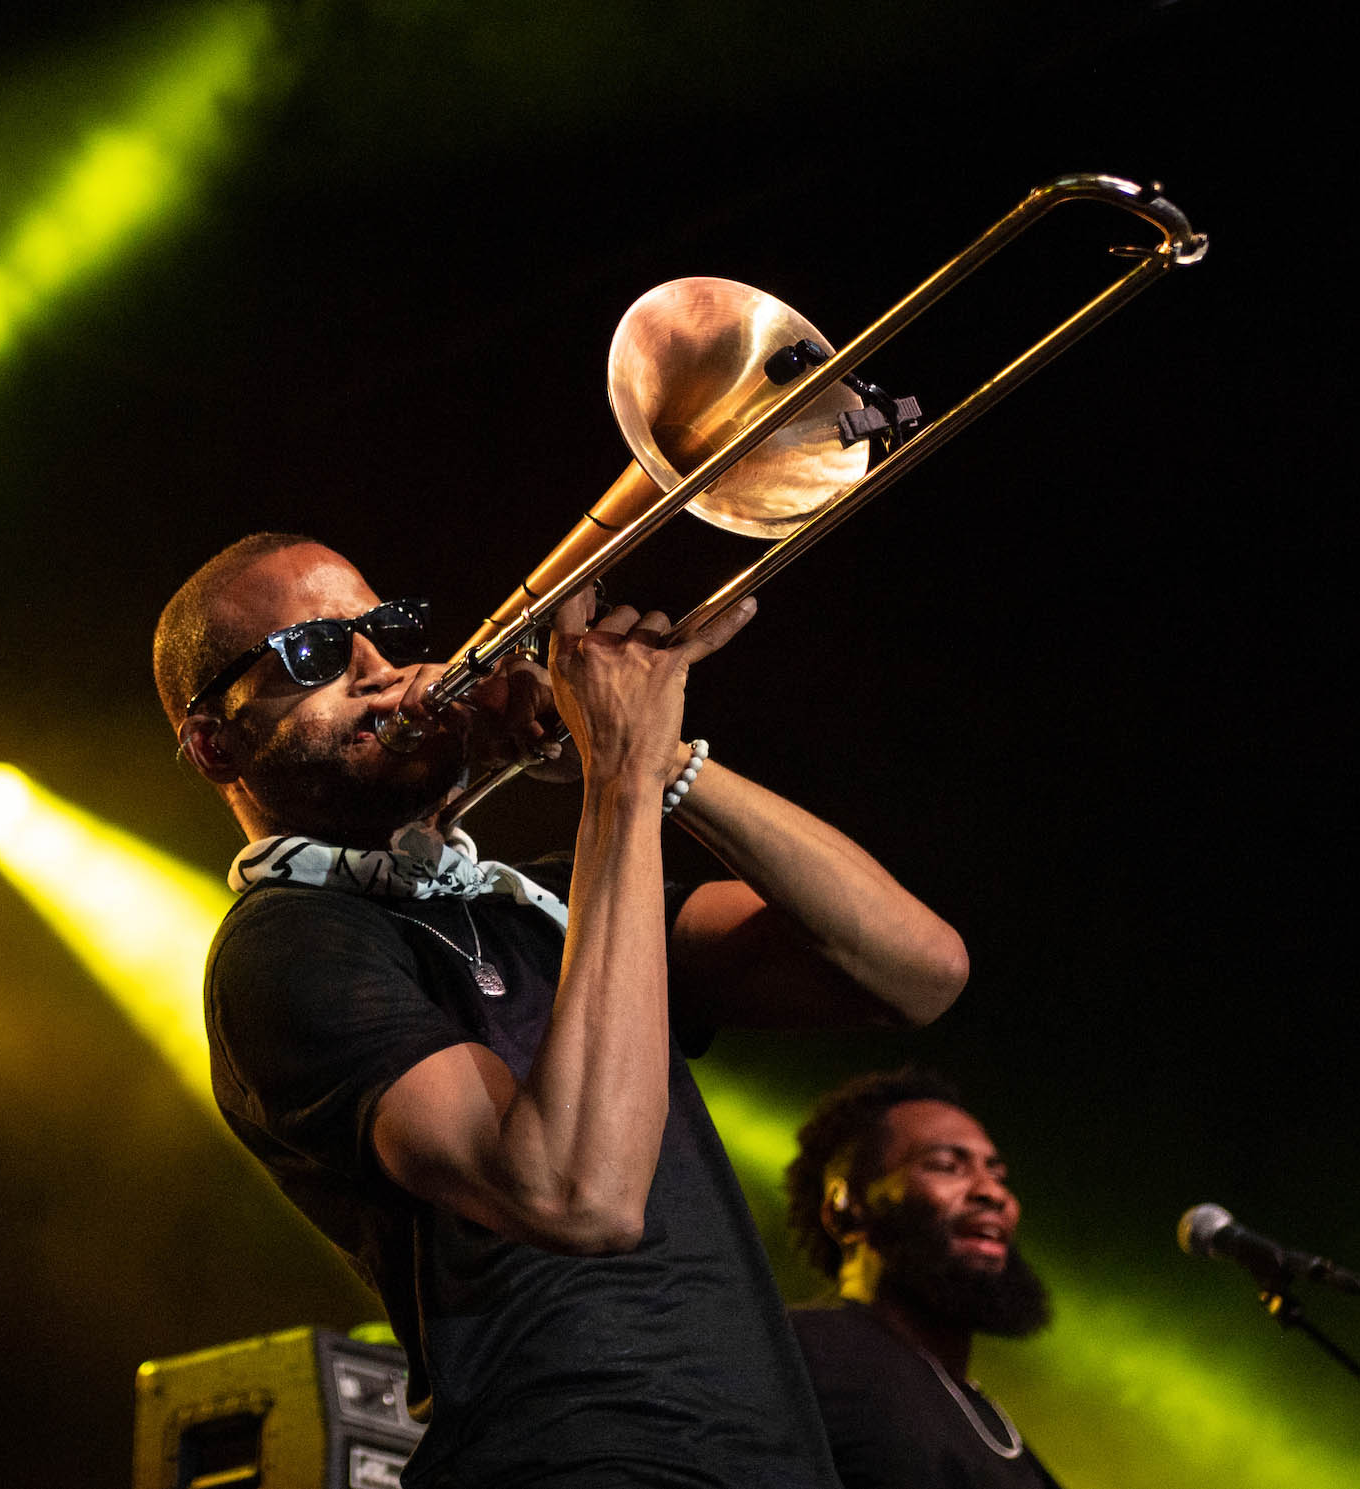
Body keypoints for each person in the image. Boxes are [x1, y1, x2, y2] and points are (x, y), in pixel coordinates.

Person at [152, 531, 969, 1488]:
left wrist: (666, 765)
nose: (380, 667)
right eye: (315, 653)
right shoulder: (286, 943)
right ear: (215, 743)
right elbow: (576, 1196)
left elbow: (917, 969)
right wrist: (615, 775)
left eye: (386, 629)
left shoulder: (549, 908)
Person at [785, 1068, 1064, 1488]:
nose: (992, 1192)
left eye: (998, 1174)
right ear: (845, 1208)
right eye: (946, 1166)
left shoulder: (993, 1427)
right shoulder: (799, 1352)